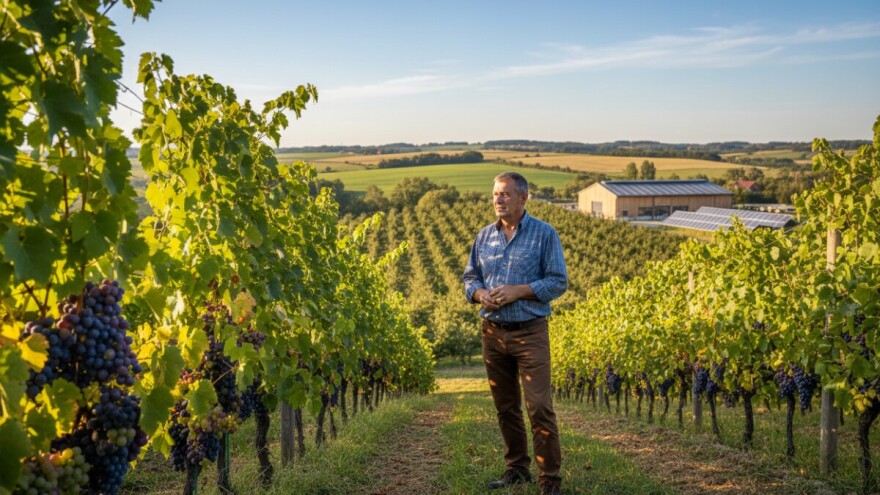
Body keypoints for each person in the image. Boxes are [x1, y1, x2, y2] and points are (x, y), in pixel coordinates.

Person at [462, 171, 568, 495]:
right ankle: (517, 468)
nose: (498, 199)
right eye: (495, 193)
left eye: (505, 194)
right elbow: (470, 278)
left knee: (538, 406)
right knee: (505, 406)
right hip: (492, 333)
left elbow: (557, 281)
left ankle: (549, 478)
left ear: (523, 198)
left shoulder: (544, 234)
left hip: (530, 332)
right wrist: (481, 295)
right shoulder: (484, 237)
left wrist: (518, 291)